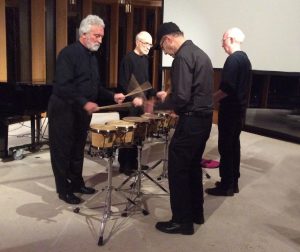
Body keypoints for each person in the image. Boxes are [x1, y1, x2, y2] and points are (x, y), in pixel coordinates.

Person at [48, 15, 125, 205]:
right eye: (97, 36)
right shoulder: (68, 54)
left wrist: (112, 96)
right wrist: (84, 102)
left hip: (81, 112)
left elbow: (94, 87)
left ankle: (76, 183)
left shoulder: (92, 57)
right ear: (84, 34)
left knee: (77, 149)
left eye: (101, 36)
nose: (100, 40)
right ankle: (63, 189)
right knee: (62, 151)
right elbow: (63, 86)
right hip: (63, 110)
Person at [154, 22, 214, 235]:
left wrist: (157, 105)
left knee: (178, 170)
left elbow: (181, 97)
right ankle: (196, 213)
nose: (166, 53)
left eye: (163, 48)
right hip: (204, 121)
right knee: (192, 168)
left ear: (168, 40)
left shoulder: (181, 57)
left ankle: (181, 221)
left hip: (191, 122)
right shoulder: (200, 53)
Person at [205, 27, 252, 196]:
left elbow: (226, 89)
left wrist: (209, 100)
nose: (221, 44)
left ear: (231, 39)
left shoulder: (233, 60)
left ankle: (226, 186)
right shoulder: (245, 59)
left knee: (225, 147)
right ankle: (233, 182)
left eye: (223, 40)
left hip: (230, 111)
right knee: (234, 146)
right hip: (239, 111)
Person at [117, 31, 156, 176]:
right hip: (130, 105)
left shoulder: (145, 60)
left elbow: (145, 82)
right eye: (147, 44)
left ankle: (134, 163)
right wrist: (132, 98)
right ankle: (124, 165)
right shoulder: (128, 59)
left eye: (150, 44)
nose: (149, 47)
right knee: (128, 135)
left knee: (139, 135)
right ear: (138, 42)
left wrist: (153, 92)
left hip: (141, 103)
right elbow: (123, 83)